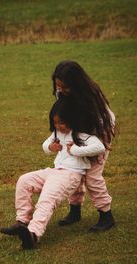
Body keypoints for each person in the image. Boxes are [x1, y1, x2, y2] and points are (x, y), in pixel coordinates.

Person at [0, 100, 105, 249]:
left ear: (72, 119)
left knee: (47, 198)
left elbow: (99, 147)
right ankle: (22, 222)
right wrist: (50, 147)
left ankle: (33, 234)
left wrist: (75, 150)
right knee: (24, 181)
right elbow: (45, 145)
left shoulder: (82, 135)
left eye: (61, 122)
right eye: (55, 122)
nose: (57, 126)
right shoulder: (57, 133)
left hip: (71, 175)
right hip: (54, 171)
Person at [52, 60, 116, 231]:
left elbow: (102, 123)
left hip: (99, 135)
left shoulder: (91, 96)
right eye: (58, 86)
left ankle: (106, 215)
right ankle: (75, 211)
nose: (61, 91)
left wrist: (90, 145)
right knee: (74, 170)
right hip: (79, 134)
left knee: (92, 176)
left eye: (65, 87)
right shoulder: (63, 93)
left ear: (76, 83)